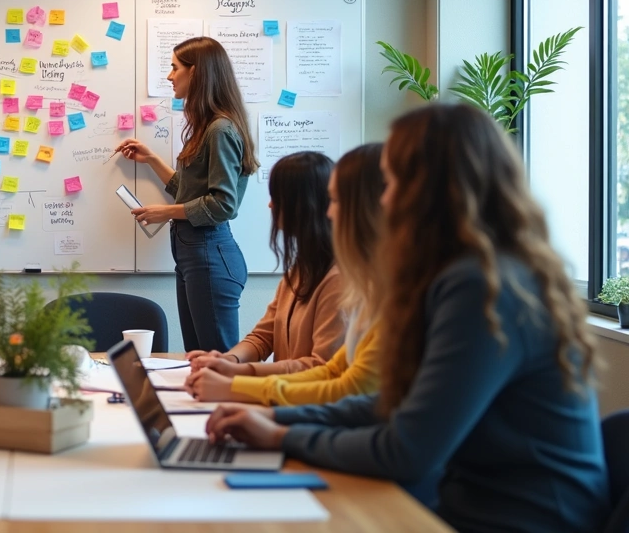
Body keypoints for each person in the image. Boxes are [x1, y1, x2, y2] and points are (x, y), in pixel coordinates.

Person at [205, 104, 609, 532]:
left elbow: (408, 448)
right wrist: (278, 418)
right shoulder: (466, 275)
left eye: (393, 181)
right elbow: (393, 405)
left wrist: (281, 435)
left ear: (428, 192)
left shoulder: (481, 287)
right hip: (473, 502)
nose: (384, 198)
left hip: (519, 518)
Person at [189, 143, 384, 406]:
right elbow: (263, 336)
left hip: (303, 408)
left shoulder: (340, 279)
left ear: (302, 205)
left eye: (277, 198)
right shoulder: (300, 269)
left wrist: (237, 379)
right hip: (287, 403)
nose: (270, 205)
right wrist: (228, 360)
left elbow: (320, 368)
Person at [115, 36, 259, 352]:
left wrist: (164, 212)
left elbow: (222, 204)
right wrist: (151, 160)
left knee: (216, 362)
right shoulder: (208, 127)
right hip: (194, 256)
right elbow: (188, 191)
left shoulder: (220, 129)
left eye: (174, 68)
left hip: (209, 255)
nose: (169, 76)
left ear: (196, 73)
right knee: (198, 357)